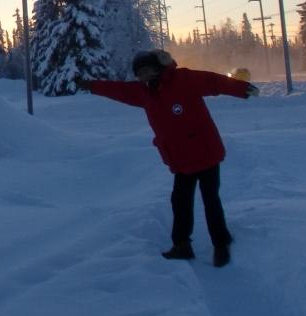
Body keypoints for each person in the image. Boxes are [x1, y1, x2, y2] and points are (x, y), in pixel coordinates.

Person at [82, 50, 258, 267]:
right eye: (140, 74)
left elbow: (213, 82)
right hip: (182, 160)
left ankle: (221, 244)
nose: (144, 77)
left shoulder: (183, 79)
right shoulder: (144, 93)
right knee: (180, 202)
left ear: (158, 67)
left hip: (206, 153)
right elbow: (118, 90)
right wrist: (91, 86)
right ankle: (182, 246)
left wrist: (241, 88)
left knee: (210, 200)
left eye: (147, 71)